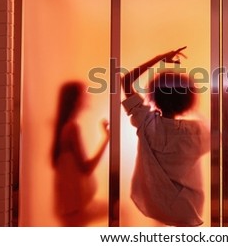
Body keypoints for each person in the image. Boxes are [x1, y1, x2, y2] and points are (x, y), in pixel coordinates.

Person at [121, 47, 210, 227]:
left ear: (154, 96)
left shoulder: (147, 123)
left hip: (158, 205)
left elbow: (126, 80)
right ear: (188, 100)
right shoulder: (198, 131)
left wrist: (160, 58)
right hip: (188, 209)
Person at [52, 81, 109, 226]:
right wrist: (107, 139)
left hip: (68, 203)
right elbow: (86, 168)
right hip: (74, 203)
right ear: (75, 100)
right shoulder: (71, 128)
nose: (86, 98)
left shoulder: (63, 127)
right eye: (83, 95)